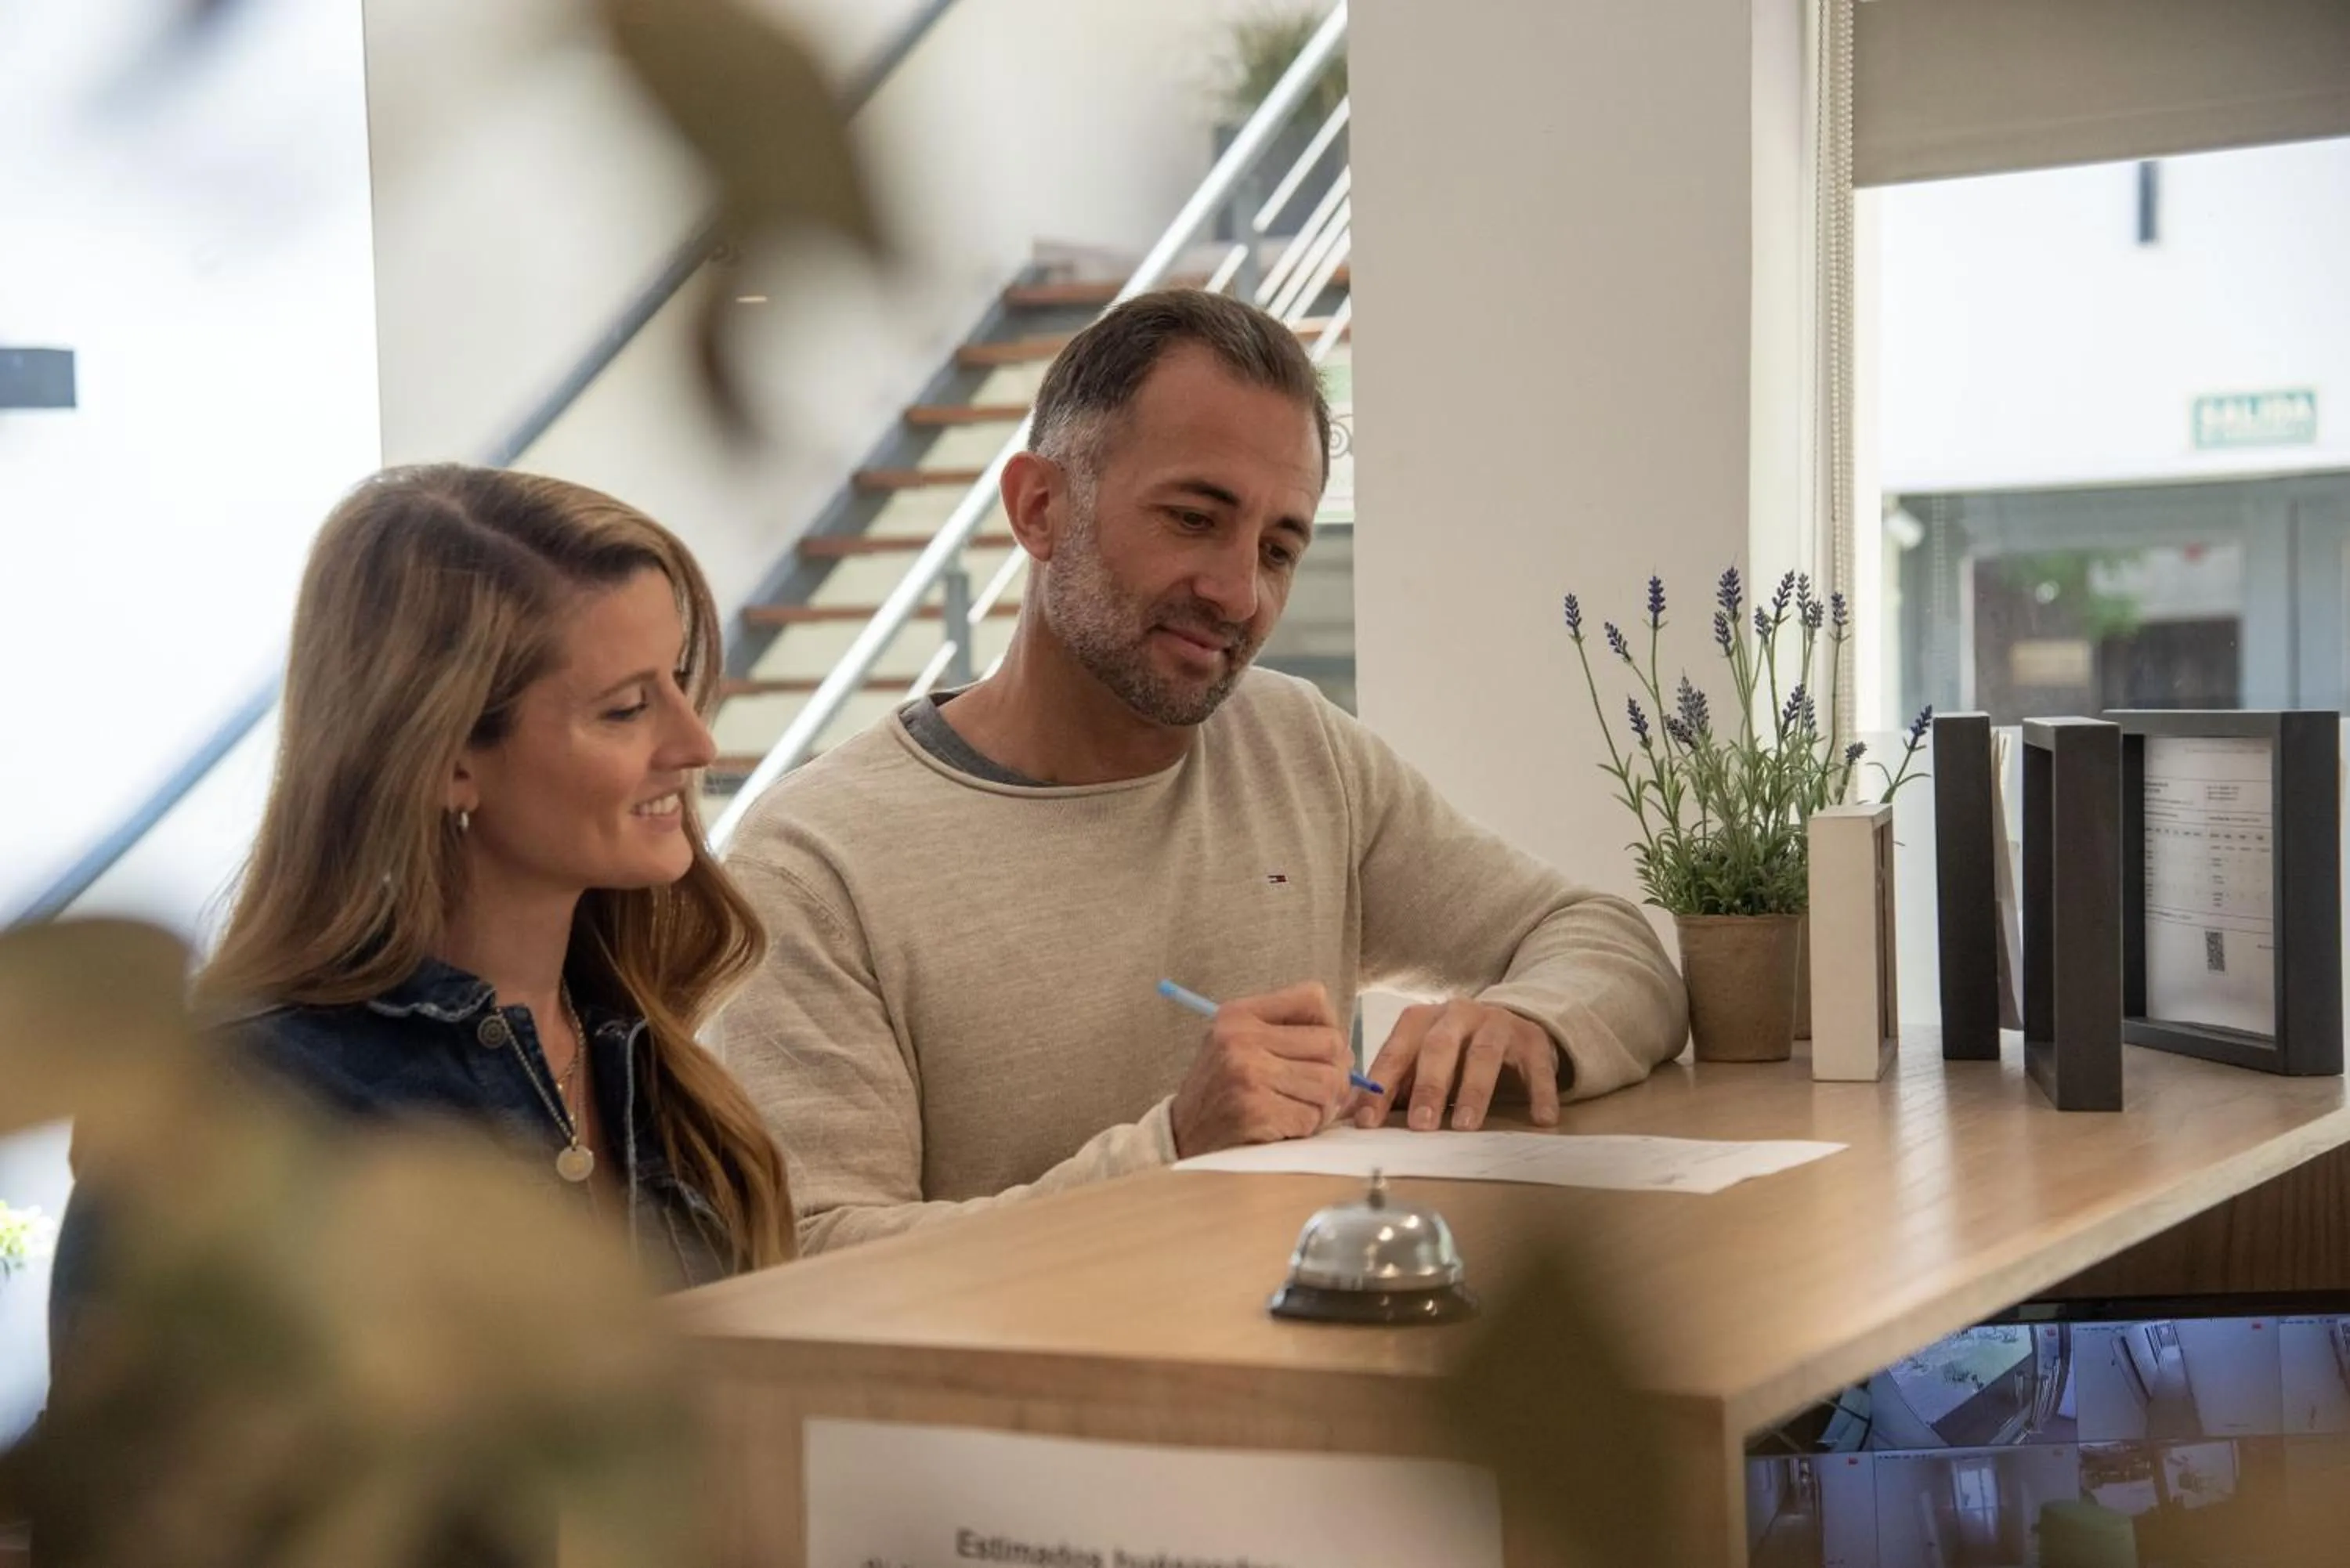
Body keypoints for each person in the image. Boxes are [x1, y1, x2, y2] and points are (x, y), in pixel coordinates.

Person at [716, 289, 1688, 1255]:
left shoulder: (1298, 747)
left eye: (1278, 548)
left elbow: (1610, 944)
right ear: (1039, 507)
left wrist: (1526, 1024)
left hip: (1319, 1378)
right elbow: (812, 1257)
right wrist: (1171, 1150)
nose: (1237, 593)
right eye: (1192, 518)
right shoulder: (815, 861)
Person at [55, 464, 794, 1315]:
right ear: (448, 759)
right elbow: (130, 1445)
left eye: (680, 678)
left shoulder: (665, 1080)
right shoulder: (225, 1114)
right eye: (627, 708)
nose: (697, 741)